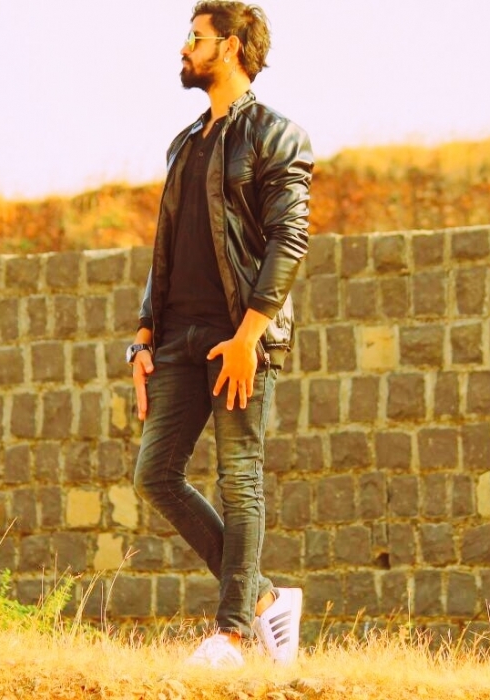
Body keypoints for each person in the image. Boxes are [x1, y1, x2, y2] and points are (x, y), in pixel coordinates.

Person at [127, 1, 312, 668]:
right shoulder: (183, 144)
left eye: (195, 37)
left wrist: (249, 336)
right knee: (155, 475)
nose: (185, 47)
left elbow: (290, 239)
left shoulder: (277, 135)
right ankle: (264, 599)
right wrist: (143, 335)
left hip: (239, 338)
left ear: (230, 47)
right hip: (178, 338)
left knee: (241, 479)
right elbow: (165, 248)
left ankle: (231, 636)